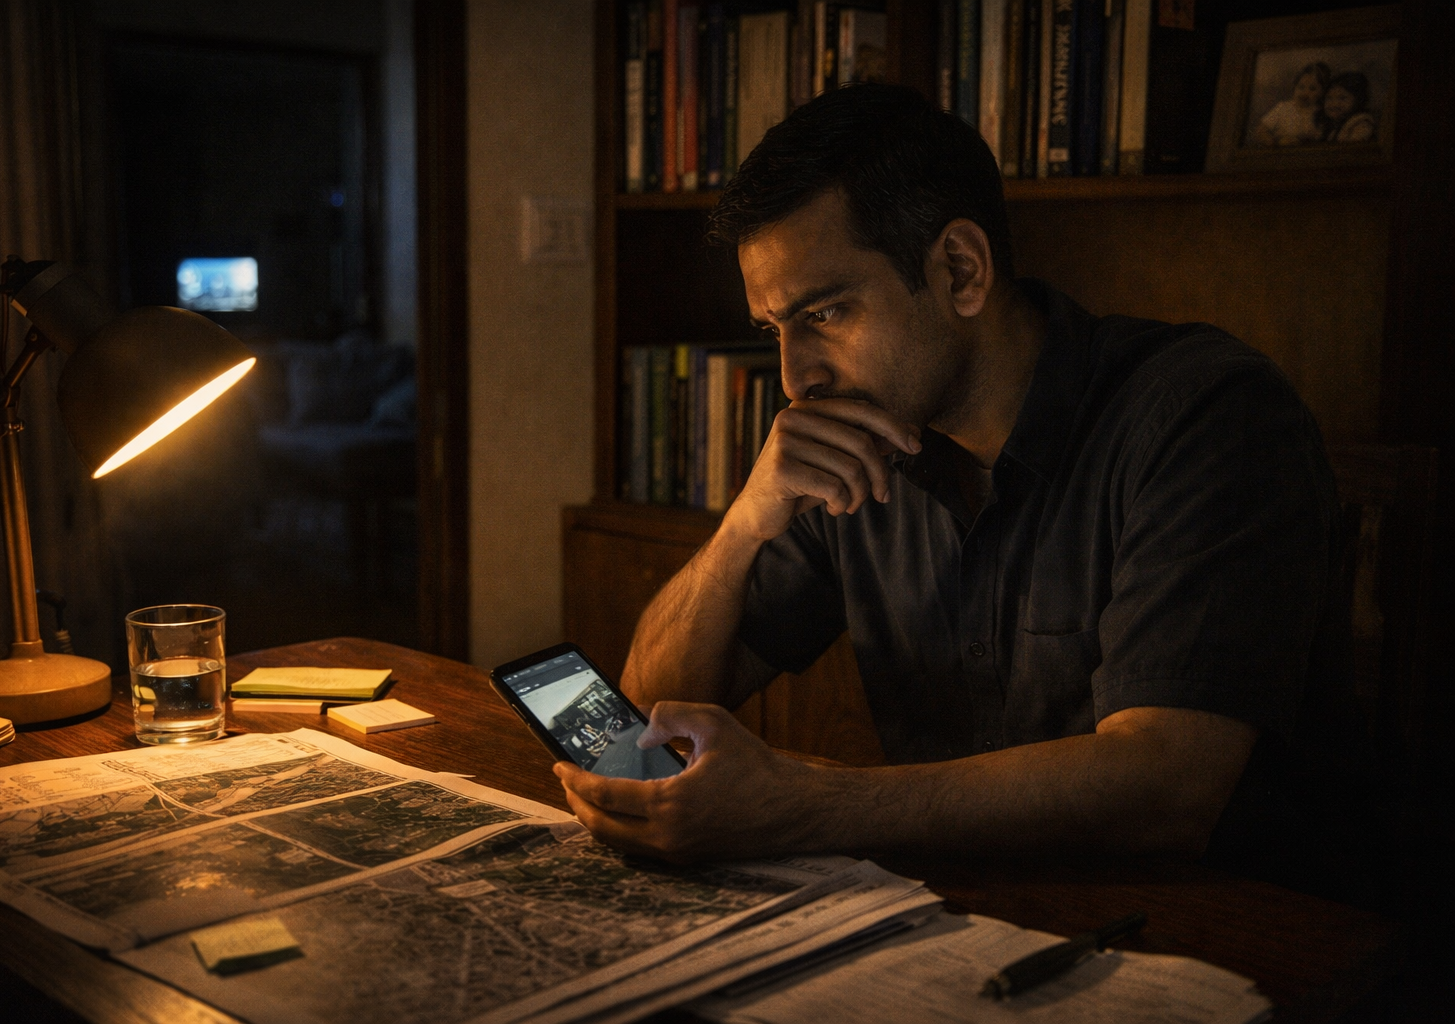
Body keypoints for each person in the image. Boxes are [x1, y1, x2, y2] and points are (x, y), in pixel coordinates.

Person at [554, 84, 1341, 880]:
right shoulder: (859, 438)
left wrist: (803, 804)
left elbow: (1168, 787)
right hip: (959, 905)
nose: (794, 380)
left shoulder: (1205, 415)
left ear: (961, 270)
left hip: (1213, 920)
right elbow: (649, 716)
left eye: (824, 314)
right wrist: (741, 528)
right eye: (774, 330)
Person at [1254, 61, 1331, 146]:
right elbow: (1261, 130)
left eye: (1312, 89)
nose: (1305, 93)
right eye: (1301, 87)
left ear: (1322, 92)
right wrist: (1275, 143)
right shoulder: (1283, 108)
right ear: (1295, 87)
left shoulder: (1321, 112)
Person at [1323, 71, 1376, 143]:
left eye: (1342, 98)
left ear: (1358, 100)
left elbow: (1352, 148)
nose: (1334, 104)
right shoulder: (1335, 127)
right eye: (1329, 98)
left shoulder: (1361, 125)